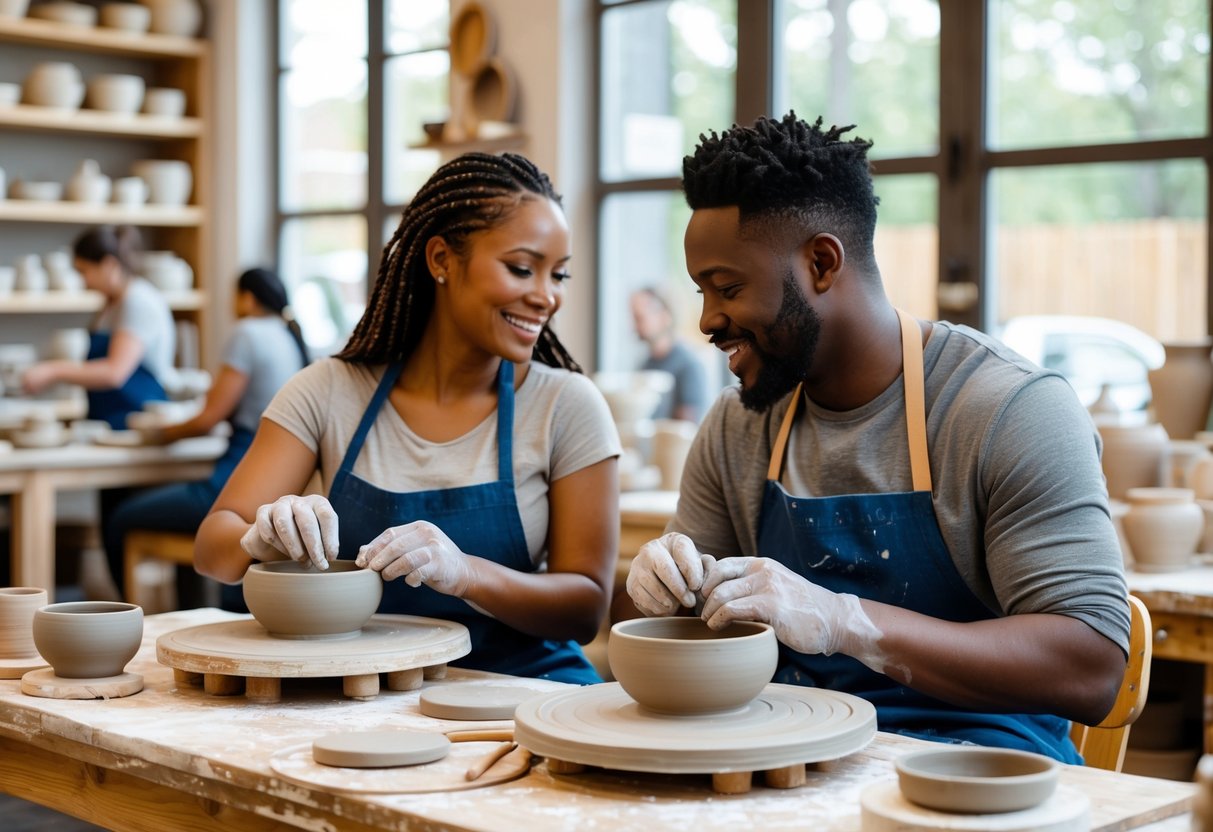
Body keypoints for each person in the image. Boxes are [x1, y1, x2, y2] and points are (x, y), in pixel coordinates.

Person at [623, 113, 1130, 763]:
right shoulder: (736, 425)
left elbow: (1089, 670)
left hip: (978, 769)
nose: (706, 320)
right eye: (700, 291)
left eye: (726, 288)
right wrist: (667, 591)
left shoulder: (1010, 410)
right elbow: (696, 641)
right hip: (785, 759)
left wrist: (845, 622)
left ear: (821, 263)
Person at [195, 152, 621, 684]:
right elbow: (212, 550)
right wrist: (259, 538)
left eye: (558, 274)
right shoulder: (328, 391)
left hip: (522, 685)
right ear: (441, 259)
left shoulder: (567, 405)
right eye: (521, 268)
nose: (546, 296)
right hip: (362, 685)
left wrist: (465, 572)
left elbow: (585, 609)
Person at [104, 268, 310, 609]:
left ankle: (121, 614)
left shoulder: (247, 332)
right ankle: (189, 612)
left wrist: (158, 434)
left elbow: (209, 417)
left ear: (247, 298)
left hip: (242, 470)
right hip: (279, 479)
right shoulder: (288, 335)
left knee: (122, 517)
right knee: (191, 526)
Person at [22, 225, 175, 429]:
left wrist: (53, 371)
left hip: (137, 417)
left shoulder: (138, 302)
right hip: (109, 417)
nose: (82, 281)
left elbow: (114, 373)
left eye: (85, 271)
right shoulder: (112, 304)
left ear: (109, 265)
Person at [630, 286, 711, 422]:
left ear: (664, 316)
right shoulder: (645, 364)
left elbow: (688, 426)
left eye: (640, 318)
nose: (634, 327)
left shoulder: (688, 364)